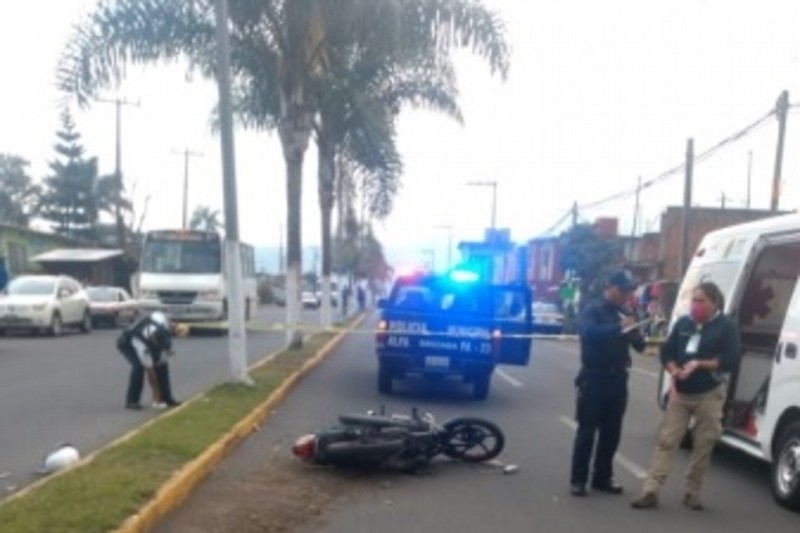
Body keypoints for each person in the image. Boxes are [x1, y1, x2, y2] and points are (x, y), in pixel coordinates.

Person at [631, 281, 740, 511]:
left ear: (715, 302)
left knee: (703, 444)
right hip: (681, 393)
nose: (695, 305)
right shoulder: (683, 323)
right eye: (694, 300)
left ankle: (692, 492)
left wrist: (700, 364)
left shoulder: (726, 327)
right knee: (667, 441)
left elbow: (731, 359)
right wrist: (673, 369)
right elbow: (667, 351)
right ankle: (651, 490)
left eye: (701, 301)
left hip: (709, 394)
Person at [570, 269, 646, 497]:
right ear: (609, 287)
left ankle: (602, 477)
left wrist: (634, 332)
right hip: (594, 378)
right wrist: (618, 328)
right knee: (587, 431)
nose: (625, 295)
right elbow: (588, 333)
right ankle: (578, 479)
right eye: (622, 290)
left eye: (628, 291)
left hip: (618, 378)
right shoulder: (593, 309)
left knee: (611, 432)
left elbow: (641, 346)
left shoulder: (625, 312)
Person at [117, 311, 182, 410]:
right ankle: (132, 401)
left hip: (148, 340)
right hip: (127, 343)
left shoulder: (162, 324)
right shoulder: (144, 346)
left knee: (163, 366)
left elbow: (162, 358)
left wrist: (173, 327)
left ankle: (167, 398)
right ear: (154, 342)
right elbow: (150, 371)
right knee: (139, 367)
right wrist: (156, 394)